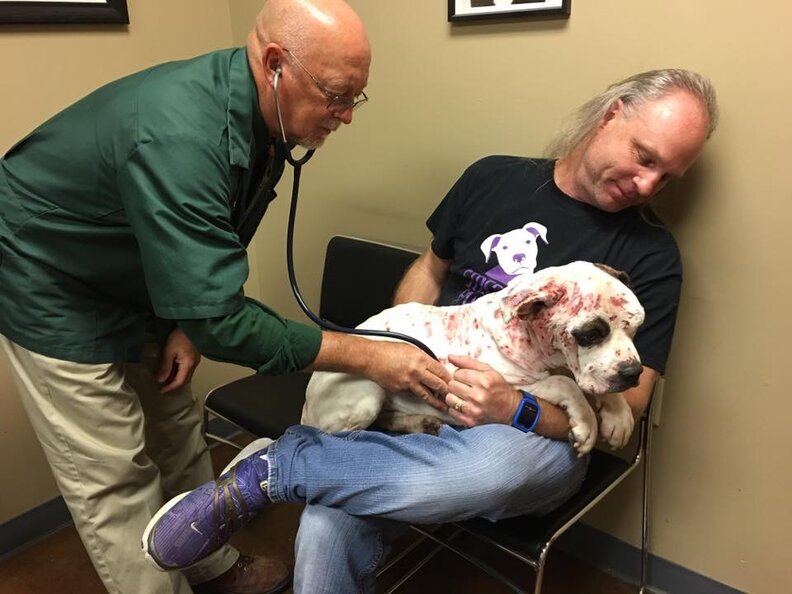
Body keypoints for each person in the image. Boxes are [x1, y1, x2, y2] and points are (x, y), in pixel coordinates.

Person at [141, 69, 718, 593]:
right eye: (644, 157)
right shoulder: (493, 178)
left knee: (486, 466)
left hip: (536, 434)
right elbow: (429, 269)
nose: (647, 184)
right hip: (430, 388)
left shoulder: (650, 258)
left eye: (667, 177)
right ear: (611, 114)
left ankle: (280, 468)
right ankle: (306, 469)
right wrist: (402, 357)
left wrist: (514, 408)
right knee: (325, 519)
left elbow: (628, 410)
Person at [0, 1, 452, 593]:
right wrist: (366, 354)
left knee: (177, 422)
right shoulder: (180, 136)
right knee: (112, 471)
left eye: (355, 98)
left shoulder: (264, 119)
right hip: (48, 273)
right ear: (274, 66)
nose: (345, 117)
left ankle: (210, 564)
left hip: (139, 267)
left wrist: (187, 323)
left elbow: (221, 232)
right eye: (336, 96)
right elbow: (224, 320)